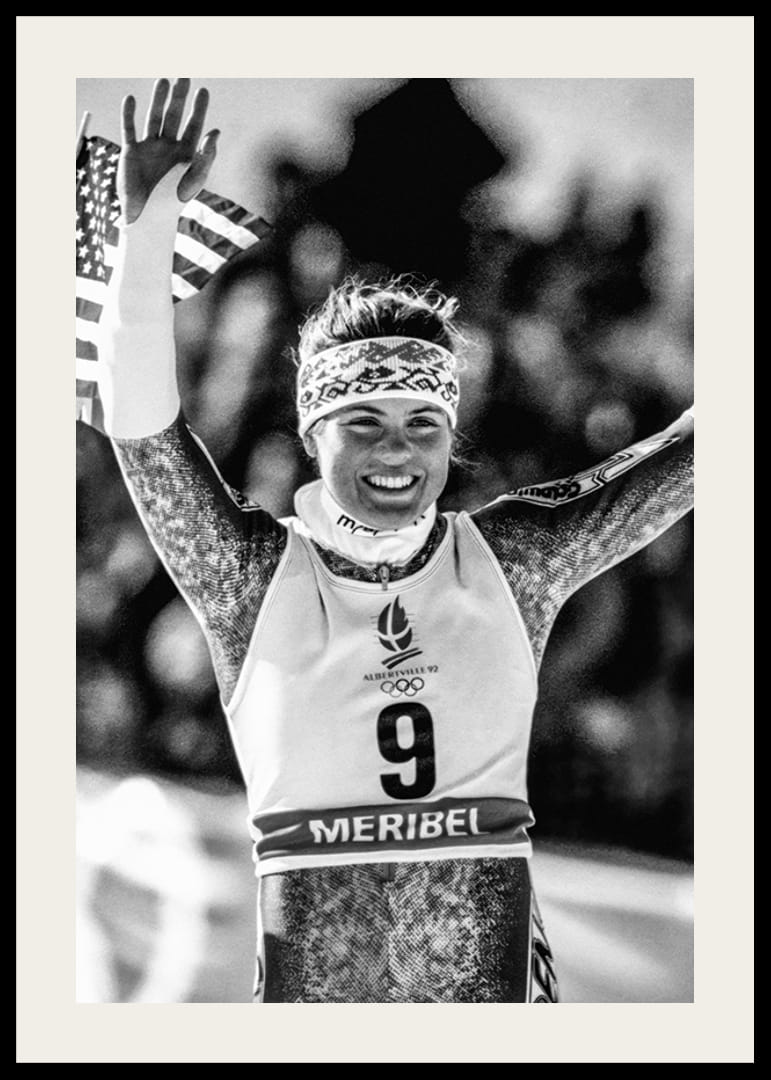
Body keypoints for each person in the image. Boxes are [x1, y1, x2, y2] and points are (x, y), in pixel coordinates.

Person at [96, 77, 694, 1003]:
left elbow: (688, 460)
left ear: (453, 438)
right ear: (311, 434)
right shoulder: (249, 574)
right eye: (361, 422)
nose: (394, 453)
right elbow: (142, 429)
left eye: (422, 424)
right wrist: (145, 238)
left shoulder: (514, 557)